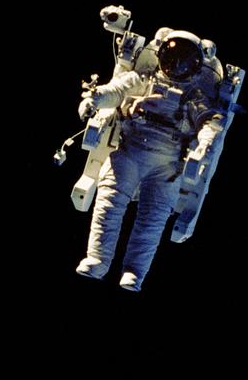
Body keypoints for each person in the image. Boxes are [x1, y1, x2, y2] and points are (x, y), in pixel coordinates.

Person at [75, 29, 226, 292]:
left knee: (152, 218)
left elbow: (211, 125)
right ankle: (97, 261)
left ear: (196, 65)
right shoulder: (143, 80)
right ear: (161, 56)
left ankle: (134, 272)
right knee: (109, 205)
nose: (176, 65)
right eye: (172, 57)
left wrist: (204, 146)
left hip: (167, 164)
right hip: (130, 152)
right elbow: (116, 89)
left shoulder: (195, 98)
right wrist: (94, 98)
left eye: (184, 60)